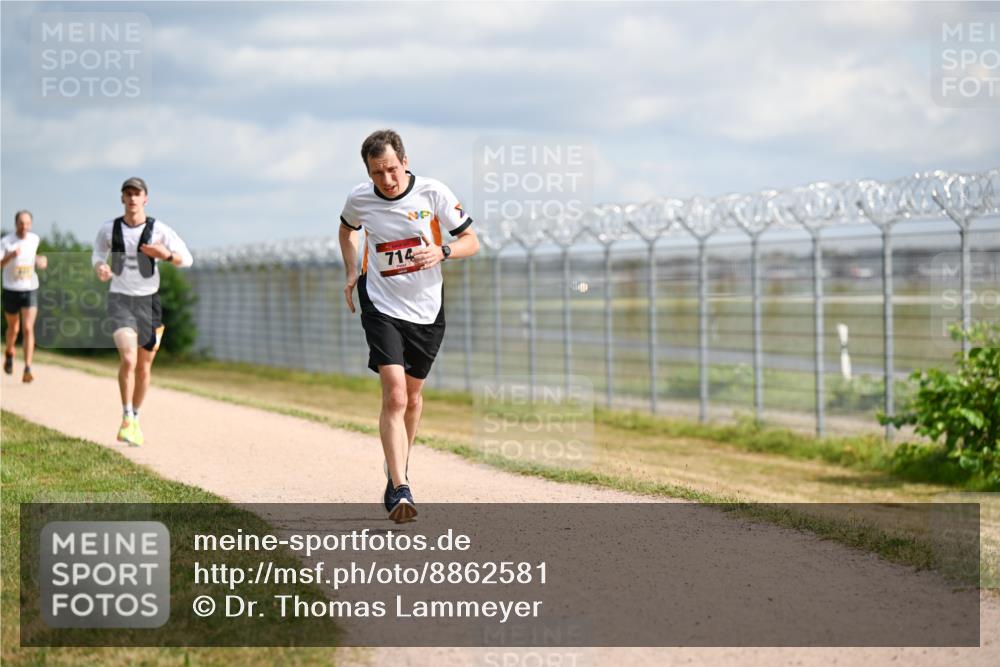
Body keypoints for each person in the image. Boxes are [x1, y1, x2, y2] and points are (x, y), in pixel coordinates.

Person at [339, 130, 479, 522]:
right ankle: (401, 487)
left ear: (405, 160)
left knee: (414, 400)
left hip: (426, 309)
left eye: (391, 169)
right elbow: (347, 229)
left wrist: (443, 250)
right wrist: (352, 271)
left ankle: (397, 467)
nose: (386, 180)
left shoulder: (432, 193)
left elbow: (472, 240)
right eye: (377, 173)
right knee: (396, 396)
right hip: (381, 303)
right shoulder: (359, 199)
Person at [92, 177, 193, 446]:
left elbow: (187, 259)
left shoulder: (159, 230)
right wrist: (100, 267)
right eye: (128, 193)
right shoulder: (109, 229)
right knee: (128, 360)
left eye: (137, 193)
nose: (133, 198)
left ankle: (135, 417)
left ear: (146, 198)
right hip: (120, 300)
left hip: (149, 303)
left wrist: (166, 255)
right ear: (122, 198)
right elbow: (97, 254)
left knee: (144, 367)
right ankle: (126, 415)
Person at [1, 210, 48, 382]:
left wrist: (40, 260)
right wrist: (10, 255)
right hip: (11, 289)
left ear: (31, 224)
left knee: (28, 328)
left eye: (27, 223)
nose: (24, 226)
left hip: (29, 288)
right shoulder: (6, 241)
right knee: (14, 329)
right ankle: (9, 351)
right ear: (16, 224)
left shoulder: (34, 239)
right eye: (21, 223)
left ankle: (28, 367)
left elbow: (33, 256)